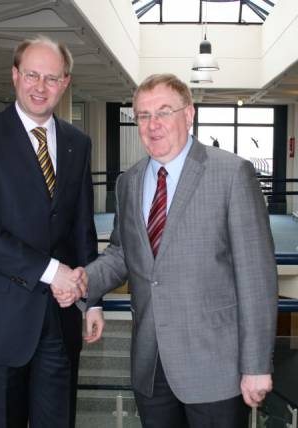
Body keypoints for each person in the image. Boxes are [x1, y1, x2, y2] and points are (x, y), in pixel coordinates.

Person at [74, 73, 278, 428]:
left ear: (188, 114)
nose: (153, 125)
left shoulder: (232, 174)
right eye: (143, 115)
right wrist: (82, 282)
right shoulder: (129, 182)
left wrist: (257, 365)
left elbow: (256, 278)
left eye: (164, 112)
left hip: (215, 369)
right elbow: (123, 254)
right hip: (151, 366)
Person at [0, 36, 104, 428]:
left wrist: (95, 299)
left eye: (51, 78)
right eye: (32, 75)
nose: (40, 87)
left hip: (61, 319)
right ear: (15, 75)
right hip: (0, 324)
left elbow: (82, 227)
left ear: (65, 83)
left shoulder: (77, 143)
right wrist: (54, 271)